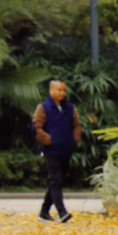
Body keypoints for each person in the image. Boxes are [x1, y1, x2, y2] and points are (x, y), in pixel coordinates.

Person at [32, 78, 82, 223]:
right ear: (51, 90)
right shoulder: (44, 107)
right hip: (51, 150)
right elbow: (36, 127)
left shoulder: (69, 108)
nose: (62, 92)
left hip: (66, 149)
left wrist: (74, 140)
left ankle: (44, 211)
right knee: (56, 179)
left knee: (58, 181)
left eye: (64, 90)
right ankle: (62, 212)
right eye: (59, 90)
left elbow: (77, 125)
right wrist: (47, 139)